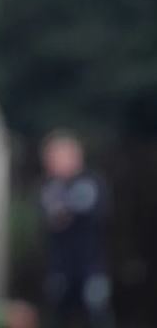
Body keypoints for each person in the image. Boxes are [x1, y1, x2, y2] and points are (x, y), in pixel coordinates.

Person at [40, 130, 113, 328]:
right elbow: (50, 217)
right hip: (60, 267)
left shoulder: (92, 181)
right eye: (52, 157)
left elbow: (94, 212)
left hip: (91, 265)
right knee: (58, 315)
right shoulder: (49, 185)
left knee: (97, 313)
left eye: (61, 155)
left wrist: (65, 212)